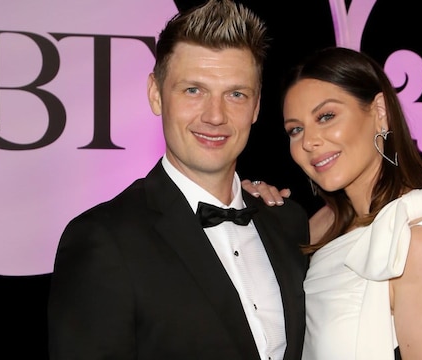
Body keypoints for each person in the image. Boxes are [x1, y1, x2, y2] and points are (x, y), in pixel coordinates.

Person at [47, 1, 309, 359]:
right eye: (193, 91)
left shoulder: (288, 222)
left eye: (236, 94)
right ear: (156, 94)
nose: (215, 116)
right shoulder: (103, 239)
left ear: (257, 105)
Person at [244, 46, 422, 359]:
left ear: (379, 111)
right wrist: (243, 210)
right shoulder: (316, 227)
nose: (308, 141)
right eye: (296, 129)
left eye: (326, 116)